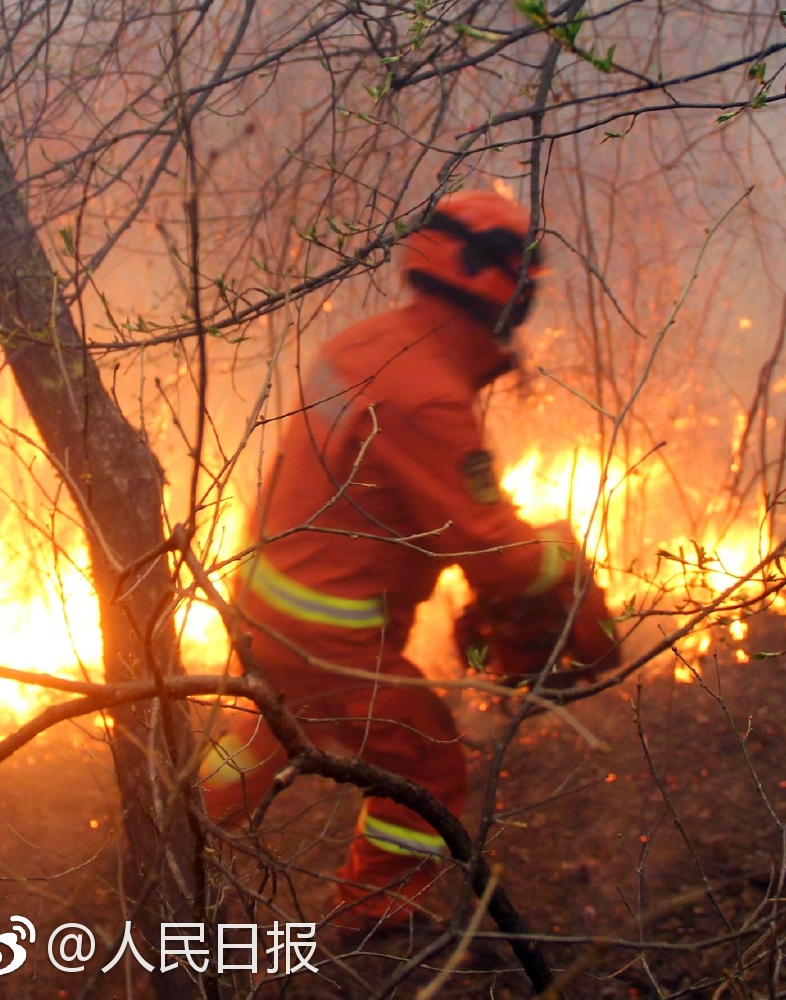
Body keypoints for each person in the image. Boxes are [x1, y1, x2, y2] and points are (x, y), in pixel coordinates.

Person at [200, 191, 620, 938]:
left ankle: (177, 835)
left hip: (265, 602)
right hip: (328, 633)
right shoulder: (426, 393)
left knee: (261, 738)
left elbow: (395, 498)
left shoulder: (362, 345)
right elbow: (496, 555)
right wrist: (558, 554)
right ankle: (370, 923)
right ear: (506, 289)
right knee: (426, 767)